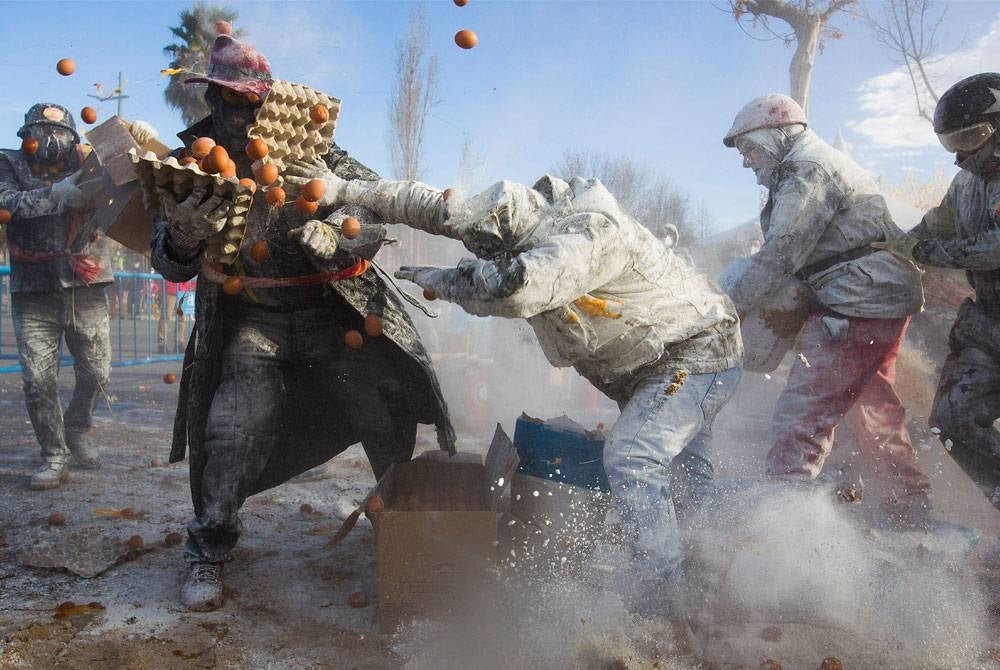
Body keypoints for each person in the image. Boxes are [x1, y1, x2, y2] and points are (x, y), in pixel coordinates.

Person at [295, 166, 744, 612]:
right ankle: (735, 551)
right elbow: (430, 205)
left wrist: (446, 280)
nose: (496, 260)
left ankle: (661, 608)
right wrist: (345, 188)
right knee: (686, 486)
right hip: (650, 365)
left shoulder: (591, 235)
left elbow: (516, 288)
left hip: (695, 355)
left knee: (633, 457)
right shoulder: (515, 214)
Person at [149, 34, 454, 612]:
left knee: (381, 403)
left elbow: (372, 204)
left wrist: (343, 234)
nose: (239, 114)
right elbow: (164, 256)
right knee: (233, 426)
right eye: (227, 101)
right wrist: (183, 235)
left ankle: (403, 530)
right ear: (212, 99)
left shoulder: (315, 148)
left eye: (248, 101)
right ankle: (209, 548)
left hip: (327, 312)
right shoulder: (187, 164)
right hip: (253, 320)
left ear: (269, 100)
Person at [722, 94, 933, 528]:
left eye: (748, 149)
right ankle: (907, 512)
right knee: (869, 409)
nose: (746, 162)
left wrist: (726, 308)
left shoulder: (808, 169)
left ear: (776, 135)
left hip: (855, 299)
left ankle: (787, 528)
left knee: (801, 413)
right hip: (876, 296)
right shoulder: (804, 166)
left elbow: (782, 252)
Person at [872, 73, 1000, 514]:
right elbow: (933, 226)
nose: (961, 154)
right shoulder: (965, 185)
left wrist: (923, 249)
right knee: (951, 422)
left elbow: (994, 247)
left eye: (970, 137)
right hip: (988, 319)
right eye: (952, 142)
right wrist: (891, 245)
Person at [0, 104, 135, 489]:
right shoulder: (8, 163)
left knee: (97, 371)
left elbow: (137, 175)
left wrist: (139, 142)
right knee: (37, 379)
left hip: (86, 284)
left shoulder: (93, 161)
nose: (47, 142)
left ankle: (77, 427)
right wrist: (56, 195)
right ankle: (54, 455)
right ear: (26, 134)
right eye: (38, 132)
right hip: (33, 289)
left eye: (56, 134)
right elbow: (6, 202)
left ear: (73, 139)